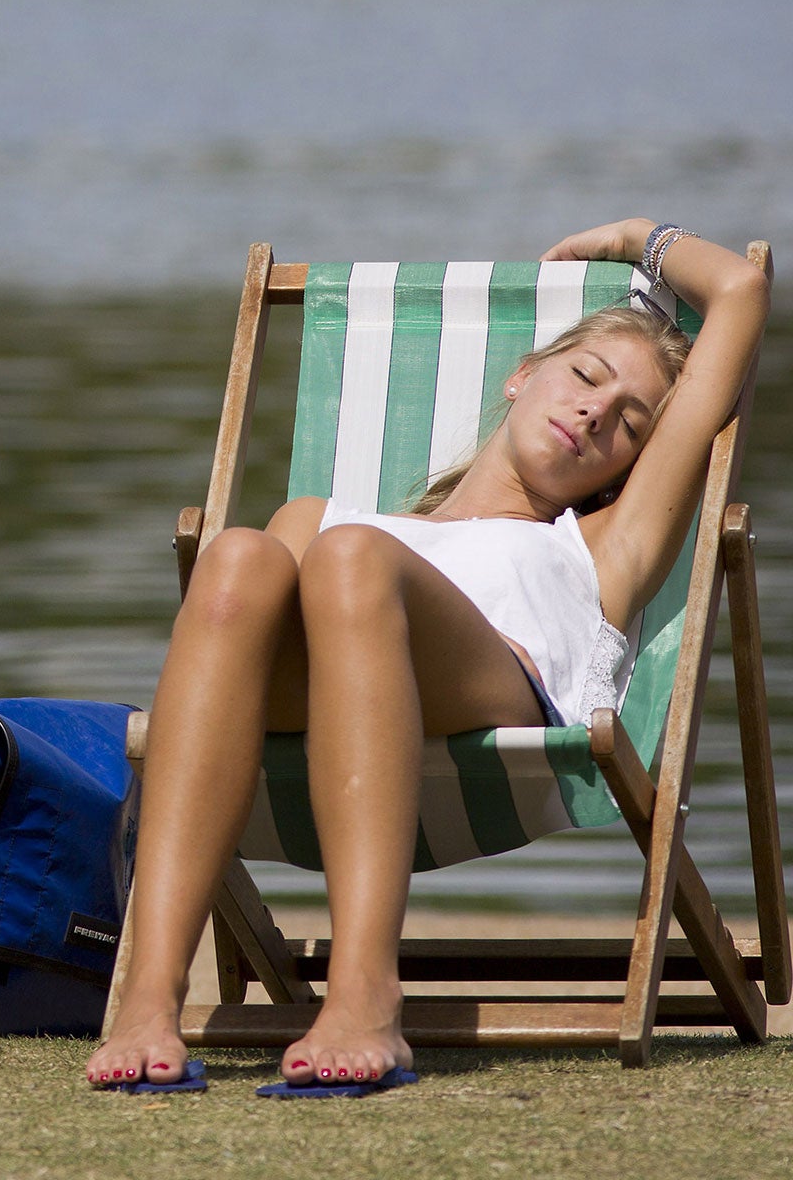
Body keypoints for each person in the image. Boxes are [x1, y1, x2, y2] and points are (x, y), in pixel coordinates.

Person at [87, 220, 768, 1092]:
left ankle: (365, 995)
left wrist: (634, 238)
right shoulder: (321, 519)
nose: (596, 412)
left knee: (350, 557)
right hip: (326, 697)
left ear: (627, 465)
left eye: (630, 423)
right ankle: (149, 997)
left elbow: (741, 295)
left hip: (496, 695)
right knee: (238, 556)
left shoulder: (605, 545)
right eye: (585, 376)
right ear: (521, 378)